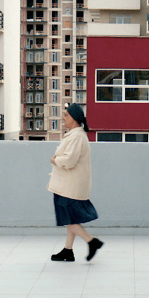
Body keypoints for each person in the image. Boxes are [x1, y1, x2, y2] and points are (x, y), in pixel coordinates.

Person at [47, 104, 103, 262]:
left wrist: (55, 160)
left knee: (67, 219)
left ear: (74, 118)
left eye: (66, 115)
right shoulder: (75, 135)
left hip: (68, 186)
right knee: (71, 218)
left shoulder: (77, 137)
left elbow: (69, 161)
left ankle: (91, 242)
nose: (63, 118)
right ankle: (68, 250)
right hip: (69, 185)